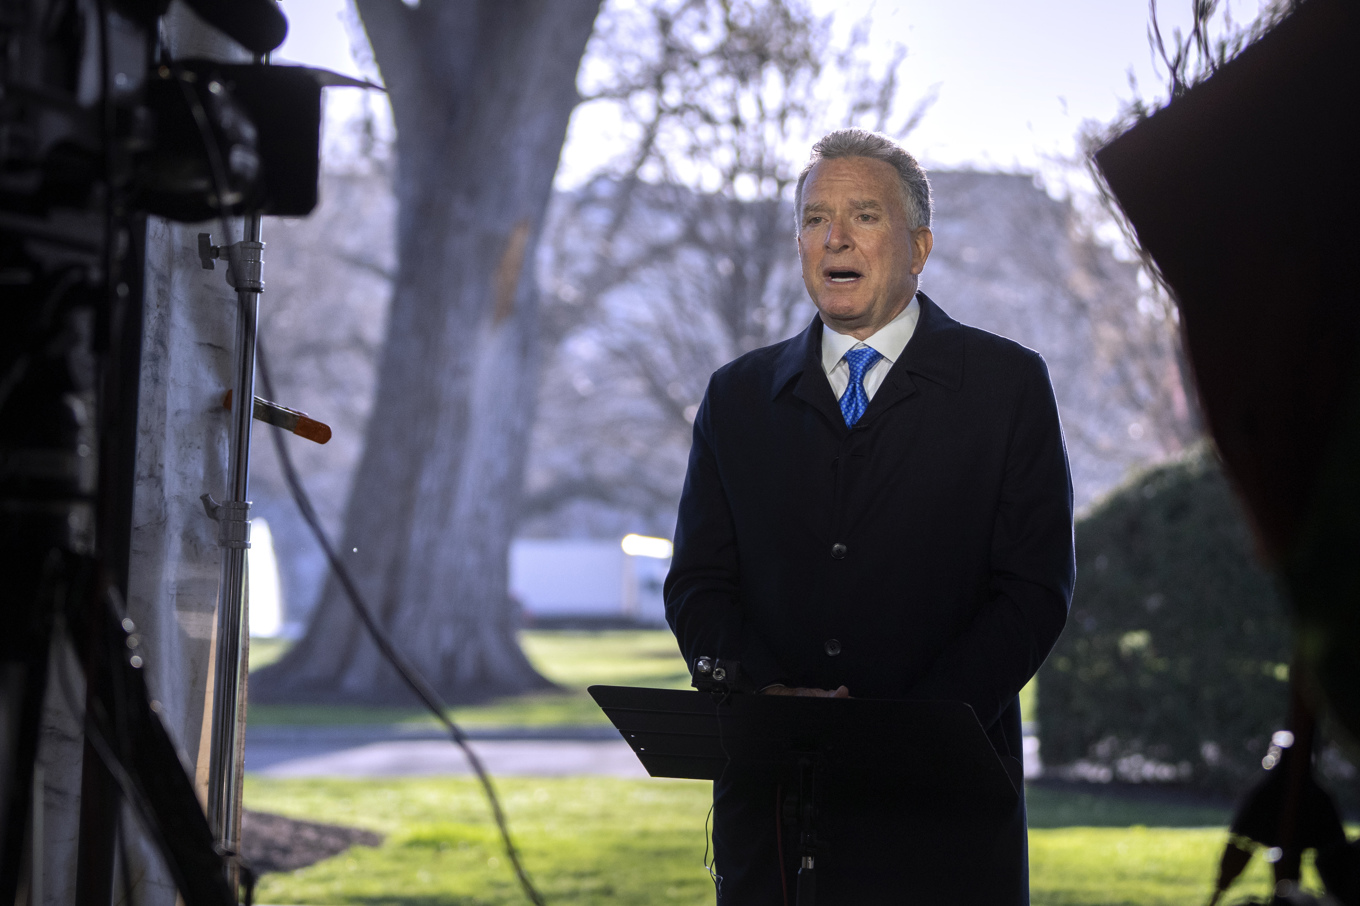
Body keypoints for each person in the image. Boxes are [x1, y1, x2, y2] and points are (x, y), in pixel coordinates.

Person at [663, 128, 1076, 904]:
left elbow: (1032, 591)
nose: (837, 238)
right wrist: (760, 691)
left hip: (940, 819)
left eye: (863, 216)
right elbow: (698, 584)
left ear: (919, 247)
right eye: (817, 219)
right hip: (774, 825)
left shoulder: (1007, 386)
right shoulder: (736, 396)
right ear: (799, 244)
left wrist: (907, 726)